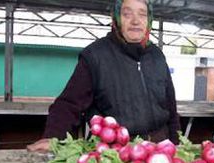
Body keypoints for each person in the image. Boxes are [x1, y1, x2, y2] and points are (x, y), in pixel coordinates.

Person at [27, 0, 180, 152]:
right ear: (116, 19)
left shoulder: (157, 56)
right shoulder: (95, 55)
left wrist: (176, 145)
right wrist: (53, 137)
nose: (135, 21)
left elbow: (171, 108)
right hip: (113, 153)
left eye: (142, 14)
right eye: (127, 14)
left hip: (158, 151)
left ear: (149, 20)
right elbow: (69, 104)